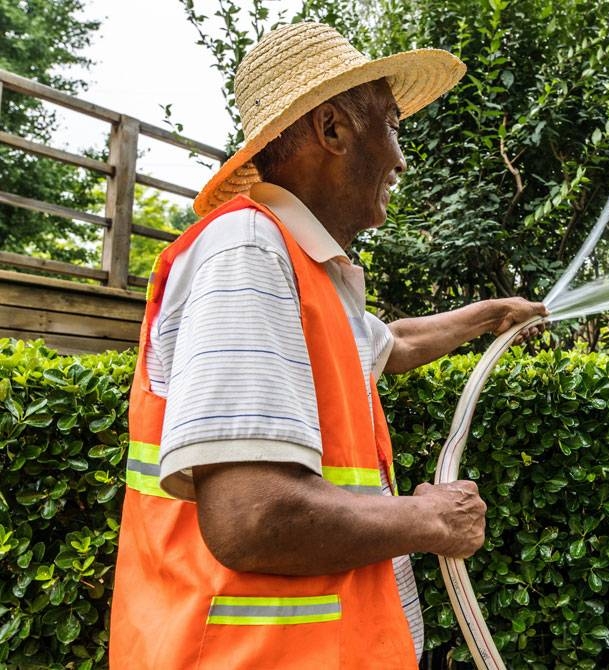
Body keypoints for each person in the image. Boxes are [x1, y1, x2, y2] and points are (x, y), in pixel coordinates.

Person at [109, 21, 548, 669]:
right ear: (333, 129)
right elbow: (251, 519)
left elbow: (390, 343)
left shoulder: (303, 264)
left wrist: (489, 315)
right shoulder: (247, 254)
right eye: (394, 127)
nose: (401, 158)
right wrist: (430, 521)